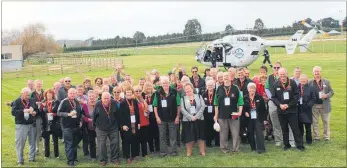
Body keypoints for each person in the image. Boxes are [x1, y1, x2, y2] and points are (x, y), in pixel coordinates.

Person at [271, 68, 305, 151]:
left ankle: (300, 145)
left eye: (284, 74)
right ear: (278, 75)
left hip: (292, 110)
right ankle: (286, 145)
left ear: (287, 74)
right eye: (281, 74)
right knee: (284, 128)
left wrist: (288, 105)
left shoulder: (292, 83)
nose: (282, 76)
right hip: (281, 111)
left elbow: (296, 96)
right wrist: (280, 105)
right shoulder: (276, 84)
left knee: (295, 128)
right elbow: (274, 98)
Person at [265, 61, 294, 147]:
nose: (276, 69)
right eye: (275, 68)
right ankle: (278, 139)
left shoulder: (286, 78)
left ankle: (290, 140)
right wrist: (273, 98)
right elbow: (266, 89)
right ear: (273, 69)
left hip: (285, 102)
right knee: (275, 120)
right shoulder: (269, 78)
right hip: (273, 101)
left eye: (278, 67)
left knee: (288, 119)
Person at [213, 72, 244, 153]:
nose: (225, 78)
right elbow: (216, 103)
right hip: (222, 114)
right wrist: (216, 115)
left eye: (227, 76)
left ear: (231, 78)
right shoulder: (219, 88)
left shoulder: (235, 88)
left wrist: (240, 112)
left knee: (235, 133)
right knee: (223, 133)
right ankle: (224, 149)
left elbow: (240, 101)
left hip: (234, 114)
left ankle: (236, 149)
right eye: (224, 76)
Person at [153, 76, 181, 157]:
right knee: (162, 136)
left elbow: (178, 105)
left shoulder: (174, 92)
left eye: (166, 83)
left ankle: (173, 151)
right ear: (161, 84)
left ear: (169, 83)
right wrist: (157, 117)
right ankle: (163, 152)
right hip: (161, 118)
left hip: (172, 118)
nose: (165, 84)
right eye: (163, 83)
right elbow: (155, 106)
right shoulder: (158, 93)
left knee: (173, 135)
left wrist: (177, 116)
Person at [93, 92, 121, 166]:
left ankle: (115, 158)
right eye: (104, 98)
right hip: (101, 128)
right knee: (101, 144)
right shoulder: (98, 104)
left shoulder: (114, 103)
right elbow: (94, 116)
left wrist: (118, 126)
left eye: (107, 98)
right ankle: (103, 160)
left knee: (115, 143)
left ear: (110, 98)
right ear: (101, 98)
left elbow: (118, 115)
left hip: (113, 127)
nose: (106, 100)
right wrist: (94, 126)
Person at [57, 88, 83, 166]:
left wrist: (80, 121)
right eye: (71, 93)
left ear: (76, 94)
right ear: (68, 94)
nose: (72, 95)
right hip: (67, 126)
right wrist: (68, 114)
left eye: (74, 93)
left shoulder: (77, 102)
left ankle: (74, 158)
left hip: (76, 126)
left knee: (75, 143)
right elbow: (58, 112)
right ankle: (70, 161)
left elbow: (80, 113)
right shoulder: (64, 101)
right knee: (69, 144)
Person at [308, 66, 334, 142]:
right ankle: (316, 137)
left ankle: (326, 136)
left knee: (325, 121)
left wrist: (326, 95)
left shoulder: (326, 81)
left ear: (320, 72)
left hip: (324, 104)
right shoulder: (310, 82)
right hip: (314, 105)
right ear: (313, 73)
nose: (316, 73)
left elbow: (332, 92)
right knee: (315, 122)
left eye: (318, 71)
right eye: (315, 72)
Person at [12, 87, 37, 165]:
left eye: (28, 95)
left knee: (32, 142)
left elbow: (35, 108)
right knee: (20, 143)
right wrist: (23, 111)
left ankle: (31, 158)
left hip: (31, 124)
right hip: (21, 125)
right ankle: (20, 160)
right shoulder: (17, 101)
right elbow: (13, 112)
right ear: (22, 94)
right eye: (26, 95)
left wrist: (34, 112)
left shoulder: (32, 100)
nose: (27, 97)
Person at [181, 83, 207, 156]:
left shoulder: (199, 96)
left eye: (189, 90)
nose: (188, 92)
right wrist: (190, 117)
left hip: (199, 119)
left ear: (192, 89)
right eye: (186, 91)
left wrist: (197, 116)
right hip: (188, 120)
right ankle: (189, 152)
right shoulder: (183, 98)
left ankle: (202, 151)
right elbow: (182, 109)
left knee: (200, 136)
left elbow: (203, 106)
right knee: (188, 137)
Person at [243, 83, 266, 154]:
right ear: (248, 89)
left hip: (258, 118)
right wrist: (245, 112)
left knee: (259, 132)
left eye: (253, 88)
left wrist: (264, 119)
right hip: (249, 118)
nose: (252, 90)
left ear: (255, 89)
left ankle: (261, 149)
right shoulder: (245, 98)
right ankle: (253, 148)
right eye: (250, 88)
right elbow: (242, 108)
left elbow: (263, 109)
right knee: (250, 132)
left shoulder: (259, 97)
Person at [120, 86, 140, 164]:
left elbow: (137, 113)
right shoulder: (122, 103)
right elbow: (120, 115)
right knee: (126, 141)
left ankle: (134, 155)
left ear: (132, 93)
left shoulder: (134, 101)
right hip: (127, 124)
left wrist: (138, 123)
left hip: (134, 124)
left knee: (134, 139)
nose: (129, 94)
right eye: (127, 93)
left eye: (130, 92)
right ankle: (127, 156)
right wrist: (122, 126)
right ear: (125, 94)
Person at [40, 89, 61, 159]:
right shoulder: (43, 102)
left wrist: (53, 114)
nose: (49, 95)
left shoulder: (56, 102)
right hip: (45, 123)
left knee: (55, 140)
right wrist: (42, 107)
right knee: (46, 139)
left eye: (50, 94)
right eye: (47, 94)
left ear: (53, 95)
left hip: (54, 123)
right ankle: (46, 155)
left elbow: (58, 112)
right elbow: (40, 112)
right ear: (45, 95)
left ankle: (56, 154)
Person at [297, 74, 317, 144]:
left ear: (307, 80)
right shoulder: (297, 88)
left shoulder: (311, 88)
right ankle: (300, 140)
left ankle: (309, 141)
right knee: (300, 127)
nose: (302, 81)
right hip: (299, 109)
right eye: (301, 79)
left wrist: (309, 105)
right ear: (299, 80)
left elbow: (314, 98)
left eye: (304, 79)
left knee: (308, 126)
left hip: (307, 109)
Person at [143, 82, 160, 154]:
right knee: (149, 134)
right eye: (147, 88)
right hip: (147, 117)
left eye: (149, 87)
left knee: (156, 133)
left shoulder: (155, 95)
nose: (148, 89)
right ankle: (151, 149)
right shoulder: (143, 95)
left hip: (154, 116)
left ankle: (158, 148)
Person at [202, 80, 220, 147]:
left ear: (214, 86)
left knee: (216, 128)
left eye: (211, 85)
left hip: (215, 114)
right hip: (206, 115)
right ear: (206, 86)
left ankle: (217, 143)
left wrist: (216, 114)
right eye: (209, 85)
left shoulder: (217, 94)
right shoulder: (204, 94)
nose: (210, 87)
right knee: (208, 129)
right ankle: (208, 143)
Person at [81, 90, 97, 161]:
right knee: (91, 141)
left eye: (93, 96)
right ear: (87, 97)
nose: (91, 98)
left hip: (99, 127)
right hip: (89, 127)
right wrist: (88, 120)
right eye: (90, 96)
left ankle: (101, 154)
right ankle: (93, 156)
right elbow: (82, 116)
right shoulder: (85, 105)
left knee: (100, 142)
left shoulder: (99, 103)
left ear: (95, 96)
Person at [135, 85, 150, 157]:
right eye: (136, 91)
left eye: (139, 91)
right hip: (137, 122)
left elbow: (147, 109)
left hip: (144, 121)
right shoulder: (133, 100)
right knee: (137, 138)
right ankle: (137, 153)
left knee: (144, 138)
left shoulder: (143, 99)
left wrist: (147, 112)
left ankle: (145, 153)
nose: (138, 92)